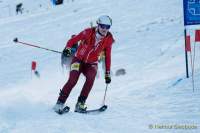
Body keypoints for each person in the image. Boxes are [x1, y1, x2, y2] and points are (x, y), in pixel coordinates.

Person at [53, 15, 114, 113]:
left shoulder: (109, 39)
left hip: (91, 63)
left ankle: (80, 104)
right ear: (98, 25)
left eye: (108, 27)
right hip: (78, 60)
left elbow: (108, 56)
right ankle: (60, 103)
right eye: (103, 26)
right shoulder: (88, 32)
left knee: (91, 77)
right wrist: (68, 49)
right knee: (73, 80)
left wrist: (107, 73)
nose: (105, 29)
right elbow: (72, 40)